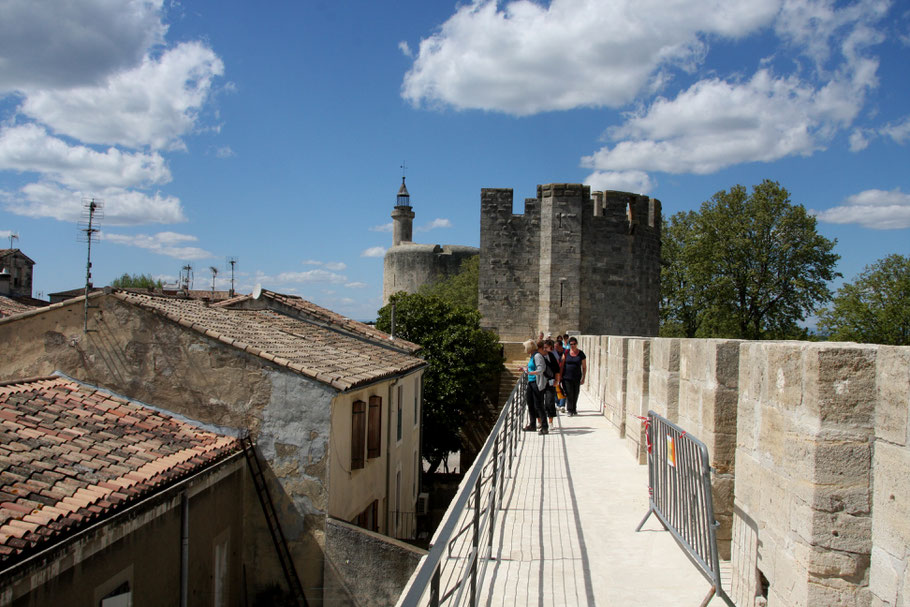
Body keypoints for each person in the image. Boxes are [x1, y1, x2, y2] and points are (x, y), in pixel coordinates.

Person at [560, 337, 586, 416]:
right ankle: (570, 410)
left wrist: (583, 377)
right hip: (567, 377)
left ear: (576, 344)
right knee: (569, 393)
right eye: (571, 344)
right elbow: (562, 365)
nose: (573, 345)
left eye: (574, 344)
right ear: (569, 345)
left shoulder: (581, 354)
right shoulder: (566, 352)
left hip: (577, 377)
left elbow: (584, 367)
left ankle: (574, 408)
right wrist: (560, 376)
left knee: (576, 393)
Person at [522, 339, 540, 432]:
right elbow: (531, 368)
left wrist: (530, 372)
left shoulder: (536, 356)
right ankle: (532, 424)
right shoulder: (532, 356)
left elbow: (540, 369)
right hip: (531, 382)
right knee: (530, 403)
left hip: (535, 382)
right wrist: (525, 369)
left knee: (537, 404)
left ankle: (541, 424)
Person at [542, 339, 560, 425]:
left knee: (550, 401)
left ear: (550, 348)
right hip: (540, 382)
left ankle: (550, 422)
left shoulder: (552, 356)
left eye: (546, 347)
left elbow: (557, 369)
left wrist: (557, 380)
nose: (544, 349)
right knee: (540, 402)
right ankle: (540, 422)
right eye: (543, 347)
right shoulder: (539, 356)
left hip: (550, 382)